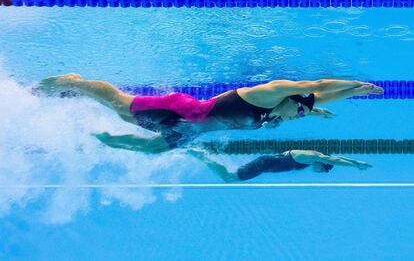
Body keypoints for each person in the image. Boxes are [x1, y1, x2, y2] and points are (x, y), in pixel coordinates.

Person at [38, 73, 383, 153]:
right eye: (301, 111)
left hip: (192, 131)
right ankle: (71, 82)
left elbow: (314, 101)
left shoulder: (273, 113)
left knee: (148, 149)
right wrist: (355, 85)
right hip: (182, 112)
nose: (299, 117)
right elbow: (317, 86)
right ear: (292, 99)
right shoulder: (269, 94)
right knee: (117, 103)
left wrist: (337, 102)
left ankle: (97, 136)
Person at [187, 149, 372, 182]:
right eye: (322, 170)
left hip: (264, 165)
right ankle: (201, 155)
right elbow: (333, 159)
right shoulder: (310, 156)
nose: (319, 172)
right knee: (229, 177)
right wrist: (356, 165)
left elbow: (333, 157)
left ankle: (203, 156)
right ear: (323, 165)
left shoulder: (312, 159)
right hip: (263, 165)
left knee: (230, 175)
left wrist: (355, 162)